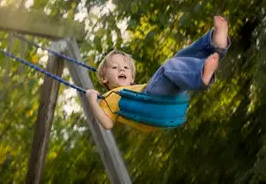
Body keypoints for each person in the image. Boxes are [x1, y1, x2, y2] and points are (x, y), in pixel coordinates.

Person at [86, 16, 230, 131]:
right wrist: (93, 101)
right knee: (169, 67)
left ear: (132, 79)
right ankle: (200, 75)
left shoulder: (131, 89)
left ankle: (214, 45)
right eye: (114, 67)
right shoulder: (108, 98)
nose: (121, 69)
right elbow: (107, 124)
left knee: (180, 58)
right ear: (103, 78)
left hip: (165, 100)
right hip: (150, 102)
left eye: (125, 67)